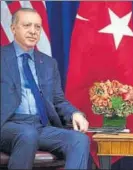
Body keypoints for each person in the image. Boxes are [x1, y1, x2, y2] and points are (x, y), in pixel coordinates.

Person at [1, 8, 90, 169]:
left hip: (40, 126)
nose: (33, 31)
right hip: (8, 125)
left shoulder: (48, 63)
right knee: (27, 134)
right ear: (13, 28)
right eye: (27, 25)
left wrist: (74, 113)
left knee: (79, 139)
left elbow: (57, 100)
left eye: (37, 27)